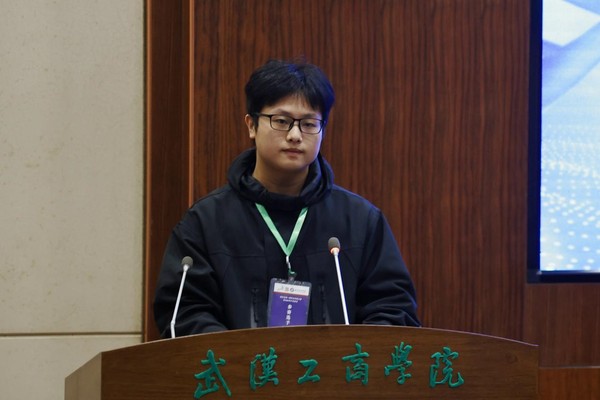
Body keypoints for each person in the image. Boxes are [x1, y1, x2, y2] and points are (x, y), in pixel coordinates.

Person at [153, 59, 420, 337]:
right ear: (252, 125)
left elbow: (394, 310)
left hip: (337, 367)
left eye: (309, 124)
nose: (295, 135)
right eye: (281, 121)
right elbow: (184, 313)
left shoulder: (360, 221)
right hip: (240, 366)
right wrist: (240, 357)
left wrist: (343, 357)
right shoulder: (206, 222)